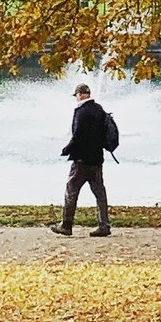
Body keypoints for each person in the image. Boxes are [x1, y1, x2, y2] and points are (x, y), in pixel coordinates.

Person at [53, 81, 116, 237]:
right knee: (100, 193)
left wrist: (66, 149)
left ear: (80, 95)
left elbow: (78, 136)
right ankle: (104, 225)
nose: (76, 98)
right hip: (97, 159)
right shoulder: (99, 110)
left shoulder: (80, 112)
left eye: (76, 96)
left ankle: (66, 225)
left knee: (71, 190)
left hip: (81, 160)